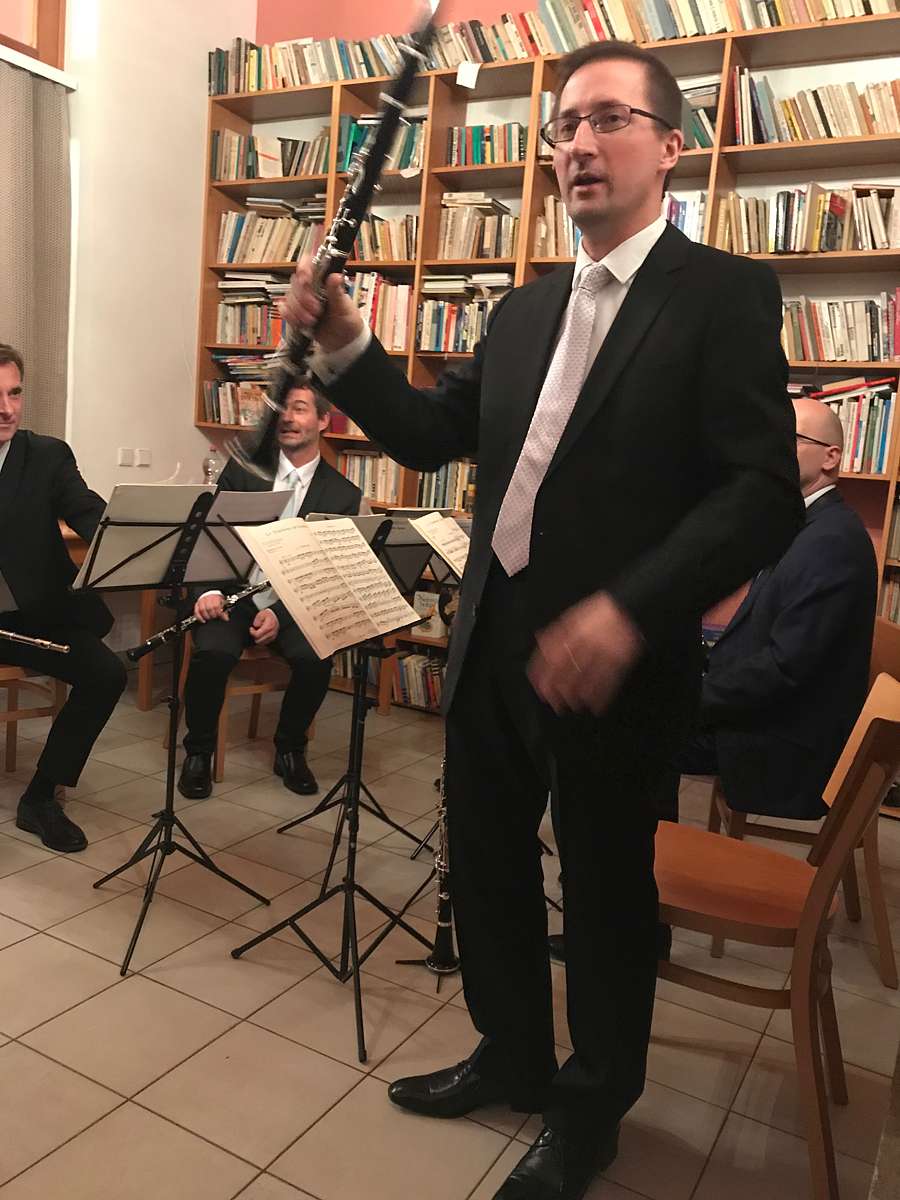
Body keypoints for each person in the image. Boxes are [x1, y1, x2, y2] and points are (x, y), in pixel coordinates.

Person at [282, 40, 803, 1200]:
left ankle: (591, 1107)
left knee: (607, 896)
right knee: (488, 867)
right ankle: (511, 1054)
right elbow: (430, 435)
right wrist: (347, 344)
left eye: (608, 119)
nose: (577, 142)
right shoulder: (523, 309)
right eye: (563, 125)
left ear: (670, 148)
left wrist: (629, 612)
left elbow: (762, 490)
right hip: (492, 643)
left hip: (619, 663)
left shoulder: (721, 294)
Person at [658, 396, 877, 824]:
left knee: (635, 736)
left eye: (789, 438)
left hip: (784, 740)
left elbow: (785, 668)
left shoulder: (833, 541)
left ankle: (650, 855)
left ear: (831, 457)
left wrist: (688, 697)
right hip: (768, 713)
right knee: (643, 708)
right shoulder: (805, 524)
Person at [177, 384, 365, 800]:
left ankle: (290, 749)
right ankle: (198, 752)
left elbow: (326, 572)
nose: (287, 418)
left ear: (323, 420)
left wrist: (280, 612)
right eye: (282, 409)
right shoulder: (244, 471)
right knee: (213, 652)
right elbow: (208, 537)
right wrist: (207, 591)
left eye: (299, 409)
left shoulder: (343, 495)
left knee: (317, 658)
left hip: (294, 604)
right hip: (234, 594)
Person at [0, 343, 126, 853]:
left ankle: (41, 798)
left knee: (107, 673)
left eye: (14, 394)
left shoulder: (47, 455)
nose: (6, 409)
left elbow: (88, 510)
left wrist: (123, 538)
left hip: (34, 615)